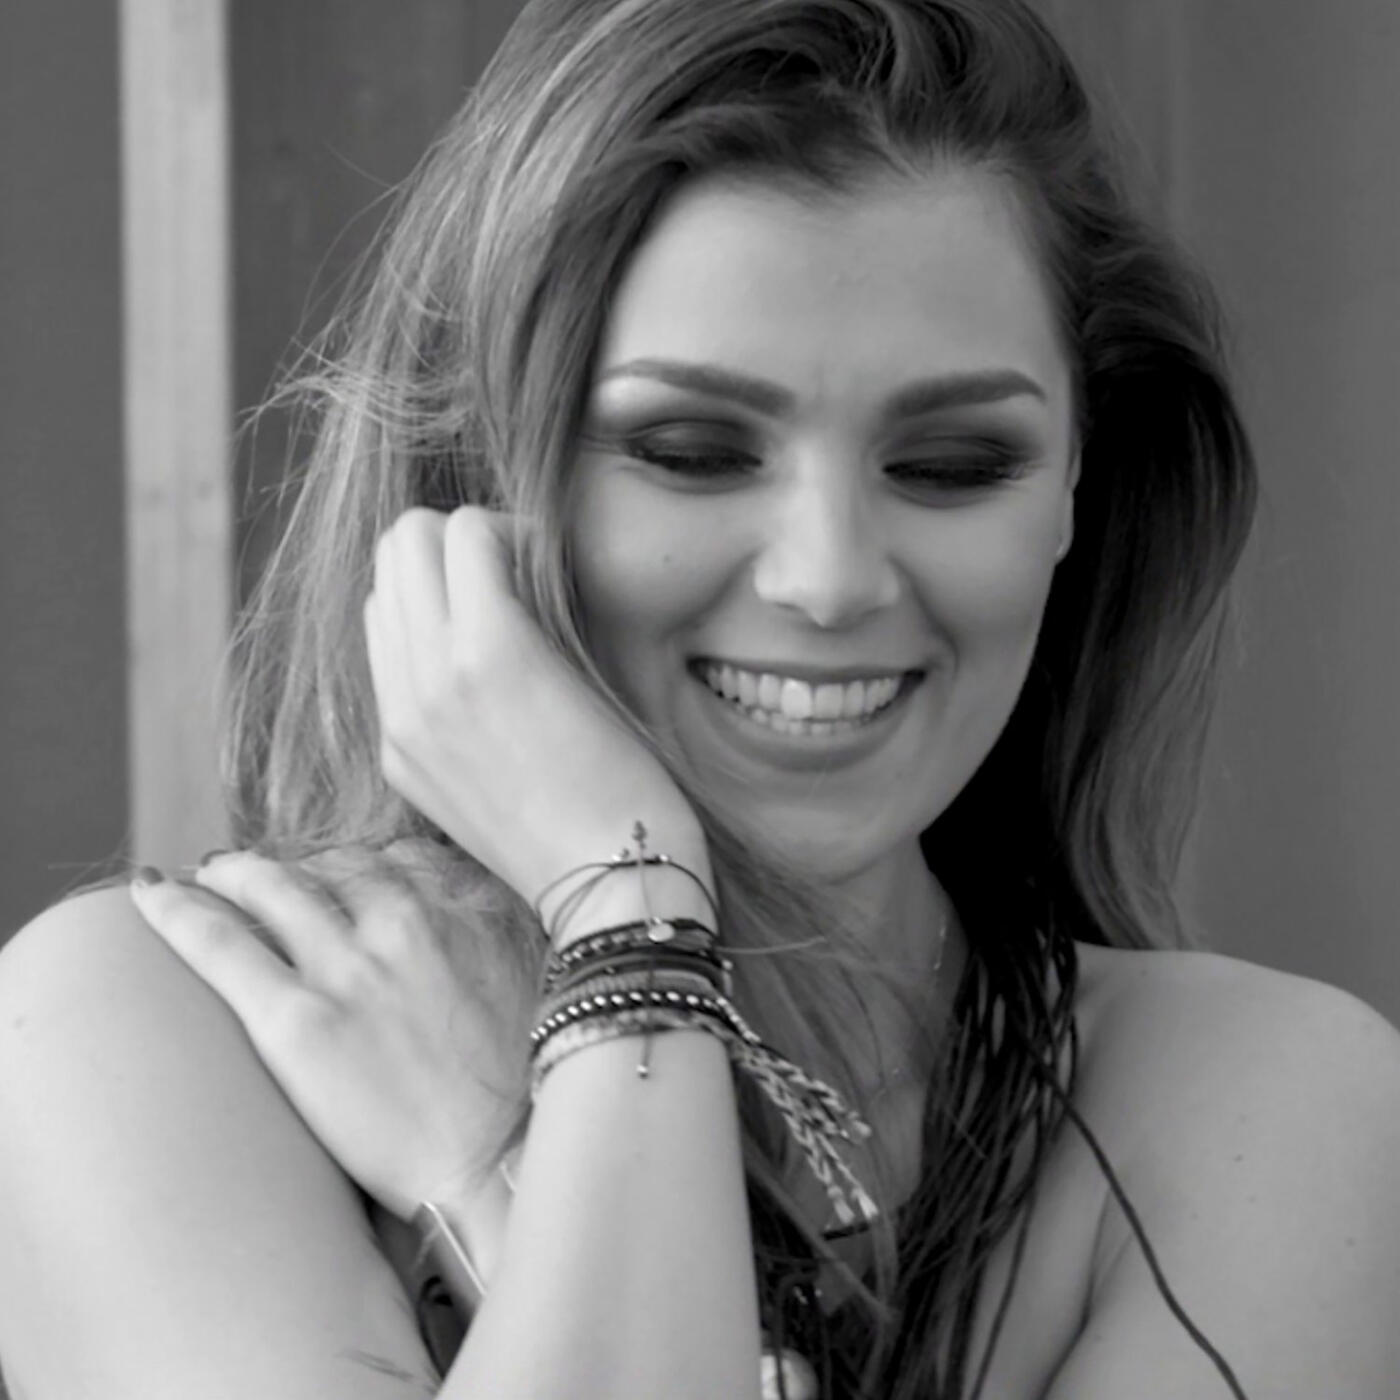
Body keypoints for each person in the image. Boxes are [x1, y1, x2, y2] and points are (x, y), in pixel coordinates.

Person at [1, 0, 1398, 1395]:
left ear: (1079, 485)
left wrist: (510, 1156)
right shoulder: (142, 1042)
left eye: (953, 464)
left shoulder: (1267, 1104)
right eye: (690, 450)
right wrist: (631, 916)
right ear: (485, 467)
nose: (830, 579)